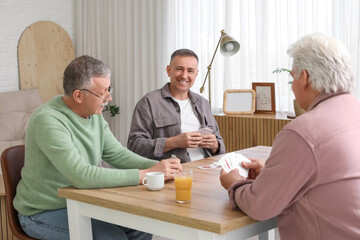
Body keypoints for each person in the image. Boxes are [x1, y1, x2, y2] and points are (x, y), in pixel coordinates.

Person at [14, 55, 182, 240]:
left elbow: (117, 155)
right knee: (112, 237)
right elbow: (82, 175)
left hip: (82, 202)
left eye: (109, 89)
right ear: (79, 95)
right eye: (103, 92)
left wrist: (162, 167)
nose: (109, 97)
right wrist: (147, 174)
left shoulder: (92, 113)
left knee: (141, 226)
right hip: (42, 212)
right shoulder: (47, 120)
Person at [220, 32, 360, 239]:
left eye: (292, 77)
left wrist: (234, 182)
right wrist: (272, 174)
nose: (292, 87)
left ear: (304, 78)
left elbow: (260, 206)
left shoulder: (304, 131)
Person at [127, 49, 226, 163]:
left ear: (196, 74)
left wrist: (215, 146)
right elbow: (134, 145)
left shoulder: (203, 103)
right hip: (173, 173)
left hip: (206, 168)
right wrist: (174, 142)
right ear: (169, 70)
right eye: (179, 69)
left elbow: (220, 144)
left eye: (190, 71)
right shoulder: (148, 103)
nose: (184, 76)